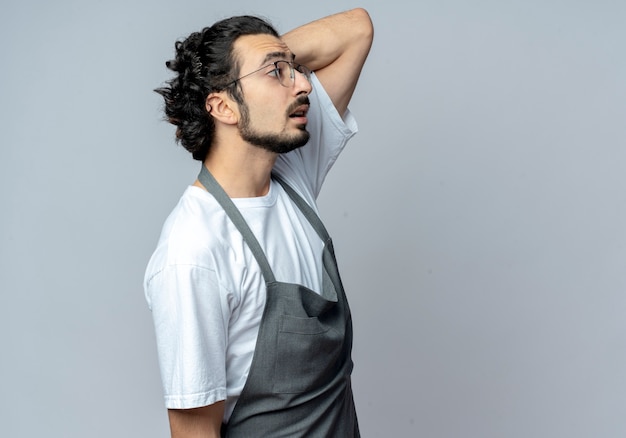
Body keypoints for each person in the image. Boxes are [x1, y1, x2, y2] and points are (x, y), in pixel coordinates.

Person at [144, 8, 373, 437]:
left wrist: (268, 61)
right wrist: (239, 69)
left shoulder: (291, 175)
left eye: (294, 69)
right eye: (279, 74)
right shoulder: (193, 251)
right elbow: (194, 432)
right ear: (223, 106)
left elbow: (356, 29)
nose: (304, 82)